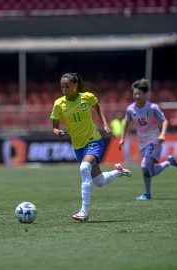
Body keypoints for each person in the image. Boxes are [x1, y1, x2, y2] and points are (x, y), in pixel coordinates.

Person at [50, 73, 132, 222]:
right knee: (99, 181)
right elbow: (54, 127)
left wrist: (105, 124)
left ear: (75, 86)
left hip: (93, 140)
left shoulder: (86, 97)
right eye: (62, 87)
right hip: (78, 146)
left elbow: (98, 108)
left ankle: (84, 212)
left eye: (67, 86)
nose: (64, 89)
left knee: (84, 168)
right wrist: (58, 132)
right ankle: (118, 172)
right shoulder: (58, 104)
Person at [118, 78, 177, 201]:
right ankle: (169, 162)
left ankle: (147, 194)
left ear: (144, 94)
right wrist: (122, 138)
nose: (136, 96)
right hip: (141, 142)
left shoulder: (153, 108)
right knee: (150, 171)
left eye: (139, 94)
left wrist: (162, 134)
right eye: (134, 93)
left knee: (144, 166)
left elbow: (164, 121)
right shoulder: (130, 109)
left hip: (154, 139)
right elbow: (126, 123)